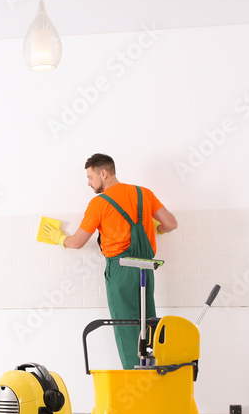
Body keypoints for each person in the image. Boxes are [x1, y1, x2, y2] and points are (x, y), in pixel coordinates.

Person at [44, 154, 177, 369]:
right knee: (148, 324)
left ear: (103, 173)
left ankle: (134, 380)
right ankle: (153, 376)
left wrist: (60, 238)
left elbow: (77, 242)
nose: (88, 182)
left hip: (121, 269)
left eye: (90, 177)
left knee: (126, 327)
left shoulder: (99, 204)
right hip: (146, 269)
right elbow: (171, 223)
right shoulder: (144, 194)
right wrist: (155, 228)